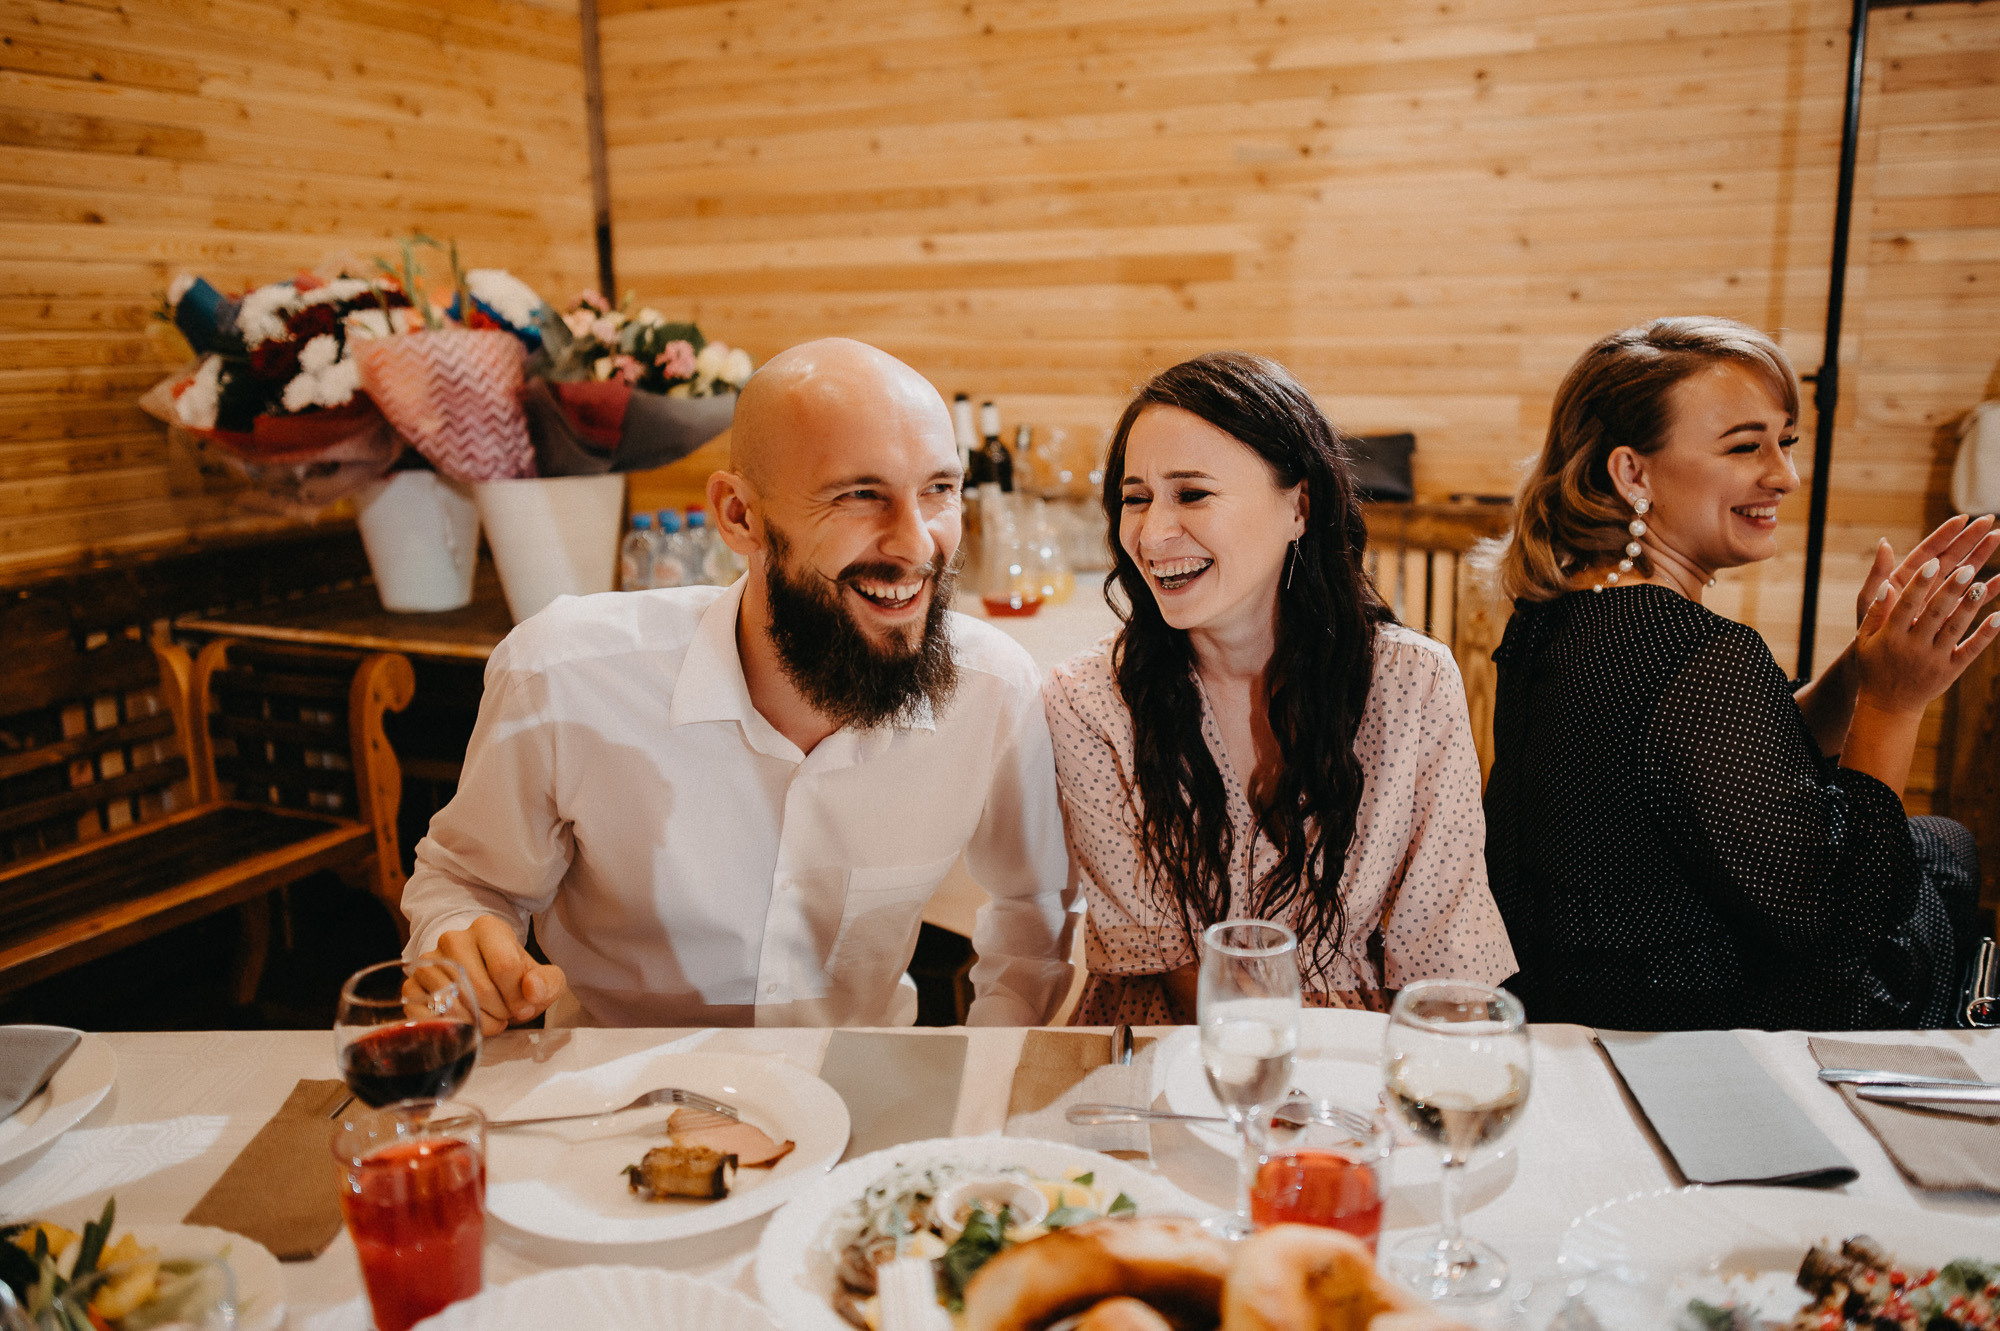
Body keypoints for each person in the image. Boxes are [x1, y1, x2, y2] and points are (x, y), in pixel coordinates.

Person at [401, 338, 1077, 1031]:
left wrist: (991, 1073)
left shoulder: (992, 689)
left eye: (939, 489)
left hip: (861, 1094)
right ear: (738, 515)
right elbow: (465, 883)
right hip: (611, 1106)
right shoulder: (562, 675)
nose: (917, 543)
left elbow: (1034, 912)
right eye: (859, 495)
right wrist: (461, 942)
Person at [1484, 316, 1997, 1031]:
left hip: (1573, 987)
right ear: (1632, 471)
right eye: (1745, 446)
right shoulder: (1695, 652)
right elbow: (1837, 931)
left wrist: (1863, 659)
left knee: (1939, 845)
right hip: (1692, 1015)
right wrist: (1894, 704)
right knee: (1946, 852)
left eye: (1785, 442)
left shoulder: (1557, 615)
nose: (1784, 476)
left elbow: (1732, 752)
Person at [1044, 352, 1516, 1025]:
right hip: (1166, 1046)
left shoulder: (1412, 682)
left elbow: (1444, 943)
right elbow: (1164, 956)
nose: (1151, 534)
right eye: (1136, 497)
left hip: (1358, 1044)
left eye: (1192, 493)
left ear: (1300, 504)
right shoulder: (1091, 700)